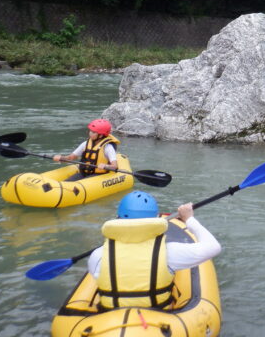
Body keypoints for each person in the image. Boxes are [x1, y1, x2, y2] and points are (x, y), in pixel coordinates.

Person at [87, 191, 222, 309]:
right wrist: (189, 219)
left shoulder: (98, 255)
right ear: (156, 221)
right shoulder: (169, 253)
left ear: (118, 218)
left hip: (110, 320)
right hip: (159, 320)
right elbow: (213, 247)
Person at [53, 119, 119, 180]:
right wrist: (61, 158)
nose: (90, 133)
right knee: (67, 182)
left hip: (99, 175)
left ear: (101, 135)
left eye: (93, 132)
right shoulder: (85, 144)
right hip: (84, 173)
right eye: (90, 131)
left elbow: (114, 166)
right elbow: (71, 157)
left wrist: (105, 166)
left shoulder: (108, 147)